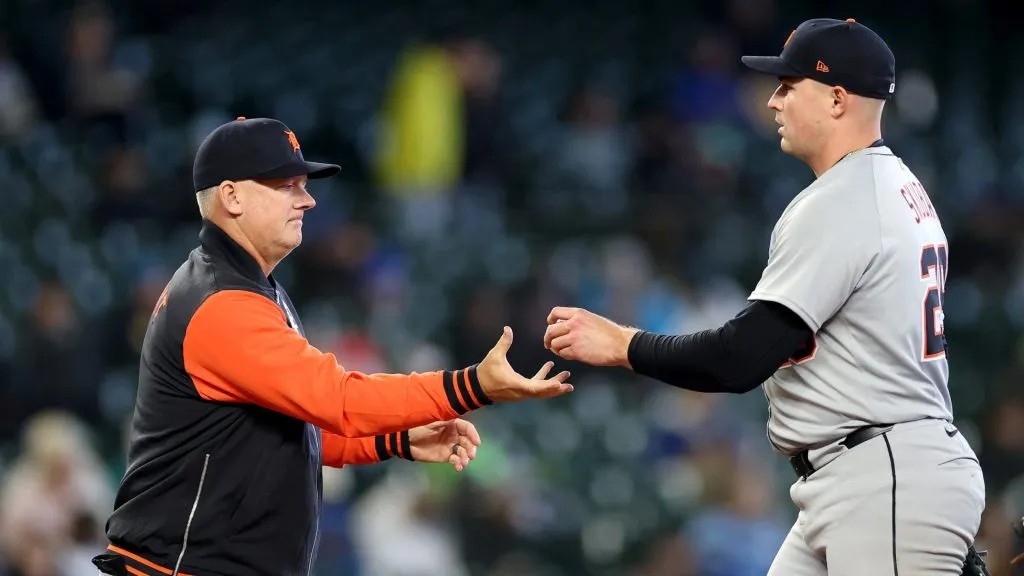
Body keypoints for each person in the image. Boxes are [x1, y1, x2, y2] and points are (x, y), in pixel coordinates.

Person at [542, 18, 989, 576]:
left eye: (788, 85)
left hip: (885, 475)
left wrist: (623, 344)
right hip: (870, 471)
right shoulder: (897, 187)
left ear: (836, 99)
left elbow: (740, 357)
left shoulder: (845, 198)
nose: (773, 100)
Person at [91, 117, 573, 576]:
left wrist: (398, 440)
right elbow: (339, 400)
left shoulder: (251, 287)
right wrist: (472, 386)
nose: (308, 201)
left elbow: (288, 430)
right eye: (287, 186)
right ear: (232, 197)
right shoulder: (222, 303)